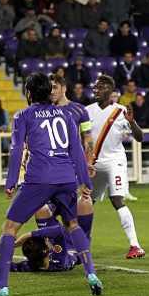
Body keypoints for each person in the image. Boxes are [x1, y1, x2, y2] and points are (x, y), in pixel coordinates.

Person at [0, 73, 101, 296]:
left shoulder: (23, 115)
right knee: (72, 224)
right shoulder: (66, 113)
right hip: (66, 178)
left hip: (39, 178)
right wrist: (85, 181)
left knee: (9, 228)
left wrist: (11, 182)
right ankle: (91, 274)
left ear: (29, 93)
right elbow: (76, 149)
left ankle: (1, 286)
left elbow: (16, 150)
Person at [34, 73, 95, 249]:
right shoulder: (42, 111)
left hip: (73, 169)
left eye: (54, 87)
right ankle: (59, 245)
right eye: (49, 88)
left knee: (83, 201)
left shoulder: (79, 111)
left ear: (64, 89)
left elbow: (87, 138)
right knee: (43, 208)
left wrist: (88, 162)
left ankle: (82, 245)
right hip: (49, 170)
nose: (51, 91)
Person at [87, 75, 145, 258]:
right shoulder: (87, 111)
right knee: (88, 202)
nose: (96, 90)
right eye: (95, 88)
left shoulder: (122, 111)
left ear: (111, 92)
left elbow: (139, 137)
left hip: (115, 162)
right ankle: (80, 241)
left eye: (101, 88)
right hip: (95, 164)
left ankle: (135, 245)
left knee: (117, 199)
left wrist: (132, 121)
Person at [11, 224, 79, 272]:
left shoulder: (29, 266)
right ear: (44, 250)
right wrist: (27, 236)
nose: (47, 239)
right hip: (74, 247)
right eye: (45, 239)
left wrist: (9, 245)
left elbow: (8, 265)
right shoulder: (59, 261)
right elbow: (58, 231)